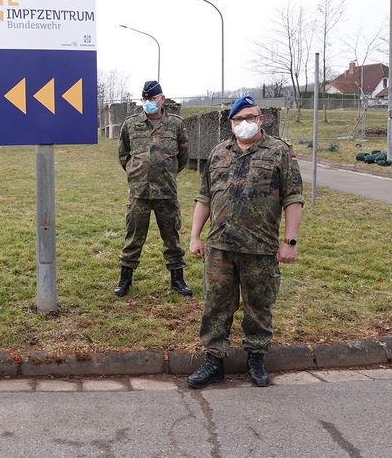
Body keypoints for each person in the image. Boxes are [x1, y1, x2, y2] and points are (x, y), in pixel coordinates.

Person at [186, 95, 304, 389]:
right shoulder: (217, 153)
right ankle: (214, 360)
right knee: (215, 305)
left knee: (259, 305)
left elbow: (293, 198)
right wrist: (194, 236)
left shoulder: (279, 152)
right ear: (231, 123)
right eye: (239, 119)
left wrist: (289, 241)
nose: (245, 124)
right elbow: (204, 197)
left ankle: (256, 357)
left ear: (261, 119)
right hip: (220, 246)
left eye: (251, 117)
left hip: (260, 246)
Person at [113, 80, 192, 298]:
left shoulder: (176, 124)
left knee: (172, 237)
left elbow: (183, 157)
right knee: (133, 237)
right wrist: (135, 171)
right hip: (139, 192)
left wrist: (167, 173)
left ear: (162, 99)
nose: (148, 102)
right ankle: (125, 279)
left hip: (166, 192)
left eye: (152, 98)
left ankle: (178, 279)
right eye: (145, 99)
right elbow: (123, 154)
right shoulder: (131, 124)